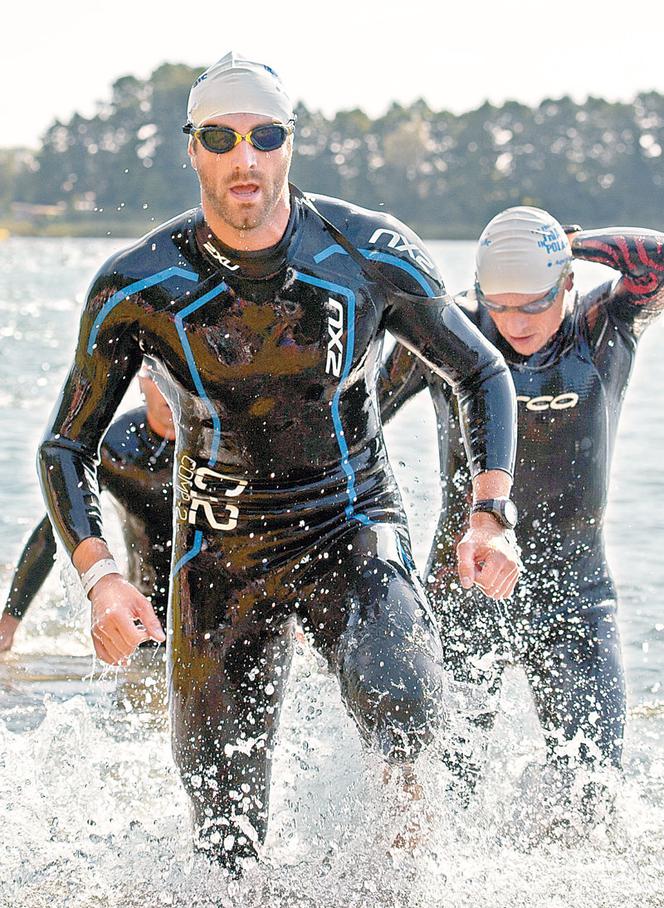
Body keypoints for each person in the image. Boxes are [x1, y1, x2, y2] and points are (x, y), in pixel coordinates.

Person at [38, 51, 520, 871]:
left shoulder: (368, 252)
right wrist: (102, 579)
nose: (244, 159)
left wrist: (490, 513)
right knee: (224, 834)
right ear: (192, 149)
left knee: (406, 706)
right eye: (221, 138)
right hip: (219, 552)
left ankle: (405, 875)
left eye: (264, 136)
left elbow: (481, 370)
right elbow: (66, 445)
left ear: (290, 141)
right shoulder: (138, 284)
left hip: (351, 524)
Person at [380, 205, 664, 811]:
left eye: (533, 303)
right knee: (446, 789)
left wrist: (572, 246)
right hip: (465, 586)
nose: (514, 321)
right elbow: (355, 423)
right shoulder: (452, 329)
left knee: (593, 790)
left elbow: (659, 263)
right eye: (500, 304)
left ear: (566, 283)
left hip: (574, 586)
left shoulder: (599, 327)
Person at [0, 364, 174, 651]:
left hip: (211, 615)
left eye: (174, 378)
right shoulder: (116, 447)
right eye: (156, 377)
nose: (167, 389)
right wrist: (9, 621)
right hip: (144, 617)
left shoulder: (219, 445)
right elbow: (56, 530)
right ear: (140, 382)